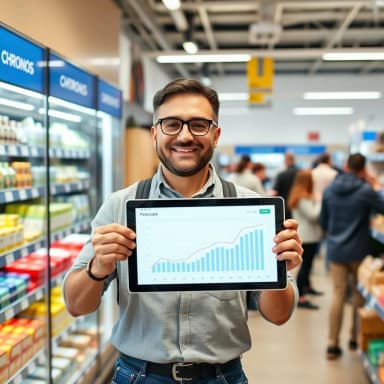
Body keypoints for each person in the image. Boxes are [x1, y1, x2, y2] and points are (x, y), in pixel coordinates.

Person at [63, 78, 303, 384]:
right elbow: (75, 305)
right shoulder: (120, 207)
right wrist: (98, 267)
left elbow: (279, 315)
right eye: (172, 124)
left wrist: (278, 269)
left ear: (216, 135)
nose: (185, 136)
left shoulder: (250, 210)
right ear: (155, 134)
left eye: (199, 125)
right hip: (139, 376)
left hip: (223, 376)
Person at [320, 153, 384, 360]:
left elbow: (323, 220)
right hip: (359, 250)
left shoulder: (330, 190)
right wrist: (373, 184)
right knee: (358, 296)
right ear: (363, 168)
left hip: (336, 250)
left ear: (346, 166)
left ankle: (332, 343)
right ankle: (355, 339)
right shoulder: (365, 190)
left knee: (338, 295)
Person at [287, 169, 323, 310]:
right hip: (307, 237)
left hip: (310, 236)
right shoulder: (302, 197)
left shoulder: (301, 195)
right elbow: (313, 215)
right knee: (305, 266)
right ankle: (301, 296)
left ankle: (306, 287)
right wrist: (319, 201)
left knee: (308, 265)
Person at [272, 151, 299, 219]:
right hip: (298, 207)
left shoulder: (282, 175)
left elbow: (275, 192)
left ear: (286, 160)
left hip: (285, 207)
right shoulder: (301, 174)